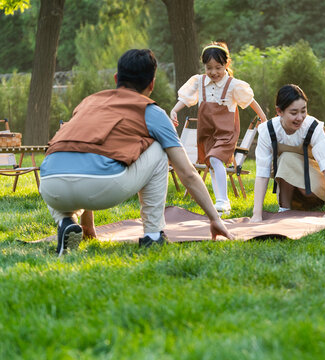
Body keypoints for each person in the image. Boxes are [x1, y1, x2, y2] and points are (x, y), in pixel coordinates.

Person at [40, 49, 234, 256]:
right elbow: (187, 173)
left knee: (84, 151)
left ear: (116, 78)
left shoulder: (87, 103)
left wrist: (88, 228)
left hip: (50, 185)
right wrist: (214, 219)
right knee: (160, 149)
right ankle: (153, 235)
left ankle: (65, 221)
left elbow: (86, 148)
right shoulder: (151, 111)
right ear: (152, 84)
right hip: (102, 186)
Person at [169, 42, 267, 214]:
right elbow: (186, 98)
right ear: (204, 66)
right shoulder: (199, 82)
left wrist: (263, 117)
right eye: (209, 68)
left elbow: (250, 101)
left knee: (215, 159)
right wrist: (174, 110)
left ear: (226, 65)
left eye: (218, 67)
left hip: (226, 132)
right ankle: (221, 201)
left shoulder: (233, 85)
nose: (213, 72)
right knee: (213, 163)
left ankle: (223, 200)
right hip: (207, 132)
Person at [250, 84, 325, 223]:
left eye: (303, 111)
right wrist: (257, 215)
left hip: (318, 181)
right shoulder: (268, 130)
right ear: (279, 111)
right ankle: (284, 210)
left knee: (288, 159)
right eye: (293, 113)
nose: (300, 117)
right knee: (286, 159)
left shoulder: (313, 127)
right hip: (292, 187)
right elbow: (262, 174)